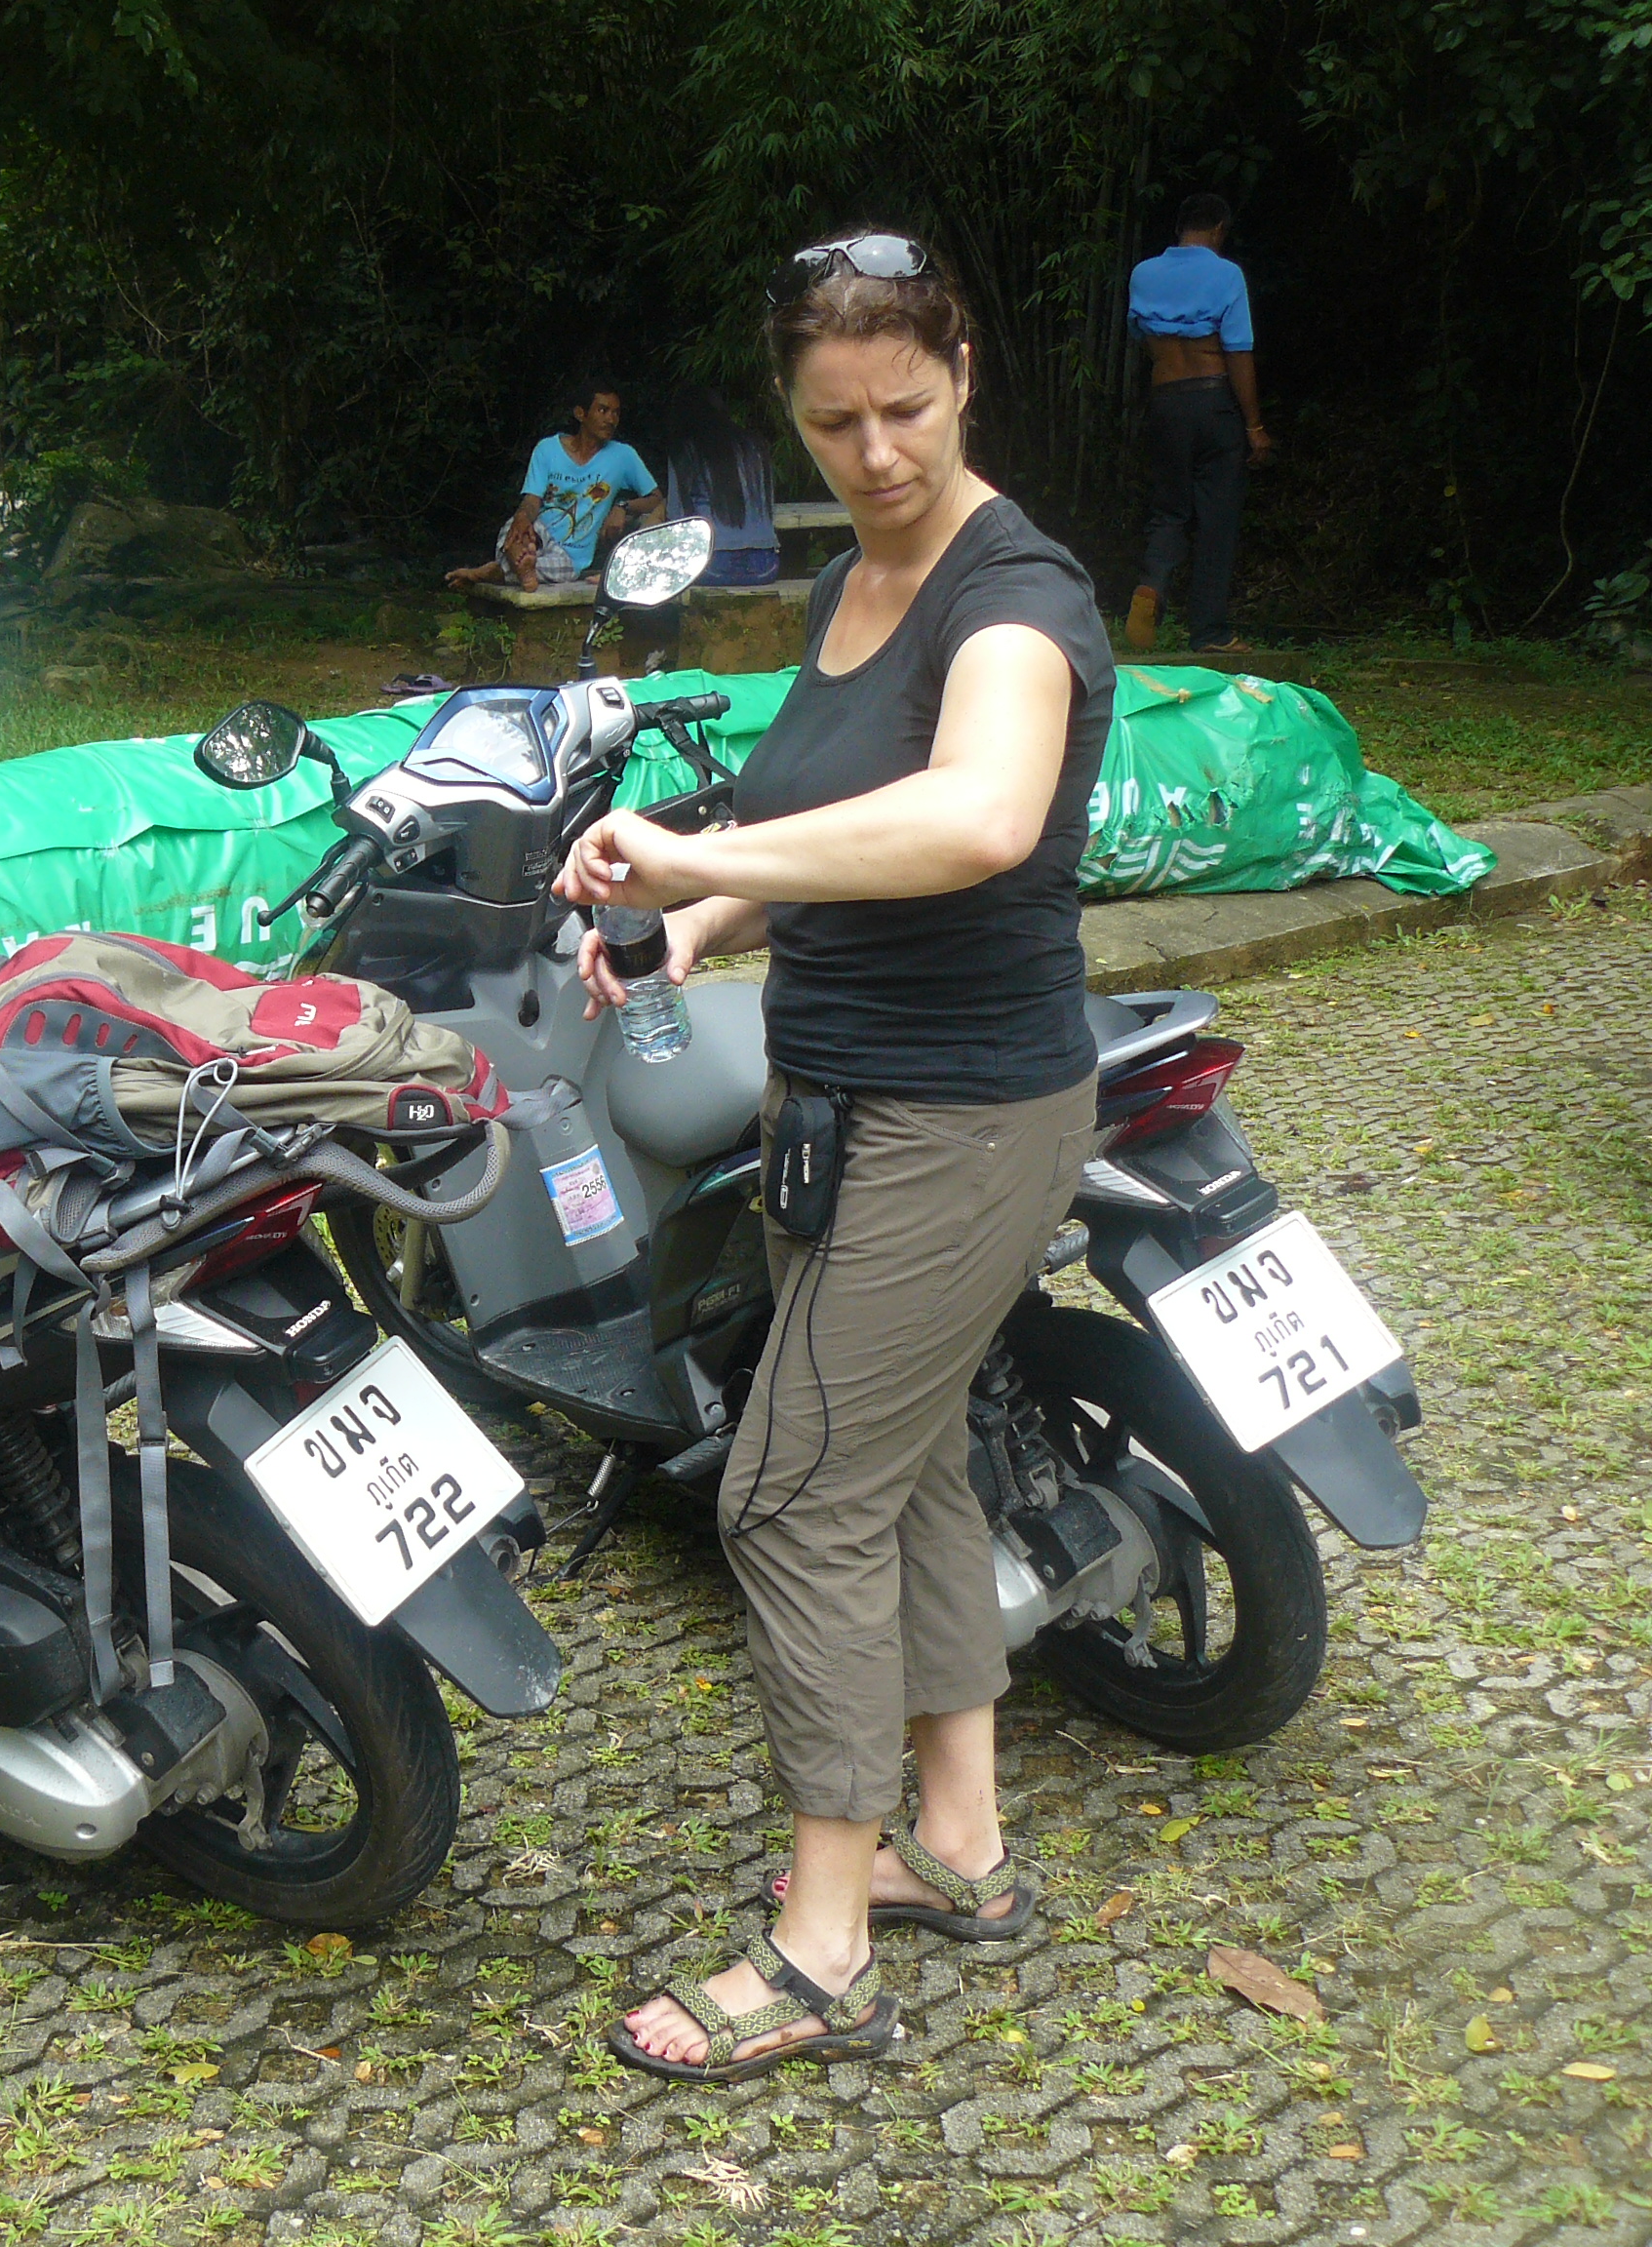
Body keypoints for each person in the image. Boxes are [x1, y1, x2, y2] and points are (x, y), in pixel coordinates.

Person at [554, 230, 1111, 2084]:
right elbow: (830, 831)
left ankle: (823, 1946)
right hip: (842, 1106)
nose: (875, 454)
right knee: (904, 1465)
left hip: (960, 1121)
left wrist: (702, 857)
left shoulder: (1010, 595)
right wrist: (690, 923)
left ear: (966, 374)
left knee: (788, 1498)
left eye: (907, 410)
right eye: (832, 423)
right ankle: (956, 1840)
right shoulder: (852, 581)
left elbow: (976, 816)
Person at [1124, 192, 1272, 652]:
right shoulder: (1227, 274)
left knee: (1168, 510)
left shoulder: (1143, 273)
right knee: (1217, 516)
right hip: (1213, 401)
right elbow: (1238, 352)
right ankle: (1209, 631)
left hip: (1166, 400)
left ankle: (1151, 585)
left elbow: (1143, 338)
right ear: (1220, 229)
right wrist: (1253, 425)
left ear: (1180, 227)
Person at [446, 379, 661, 589]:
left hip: (572, 554)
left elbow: (657, 499)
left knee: (559, 570)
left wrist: (622, 507)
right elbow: (532, 499)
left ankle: (500, 570)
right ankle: (518, 565)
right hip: (539, 532)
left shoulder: (623, 456)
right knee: (515, 530)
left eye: (616, 413)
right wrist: (522, 518)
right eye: (603, 410)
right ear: (581, 413)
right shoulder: (548, 449)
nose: (611, 419)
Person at [663, 388, 784, 586]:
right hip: (766, 566)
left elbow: (676, 516)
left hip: (712, 565)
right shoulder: (755, 445)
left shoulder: (686, 449)